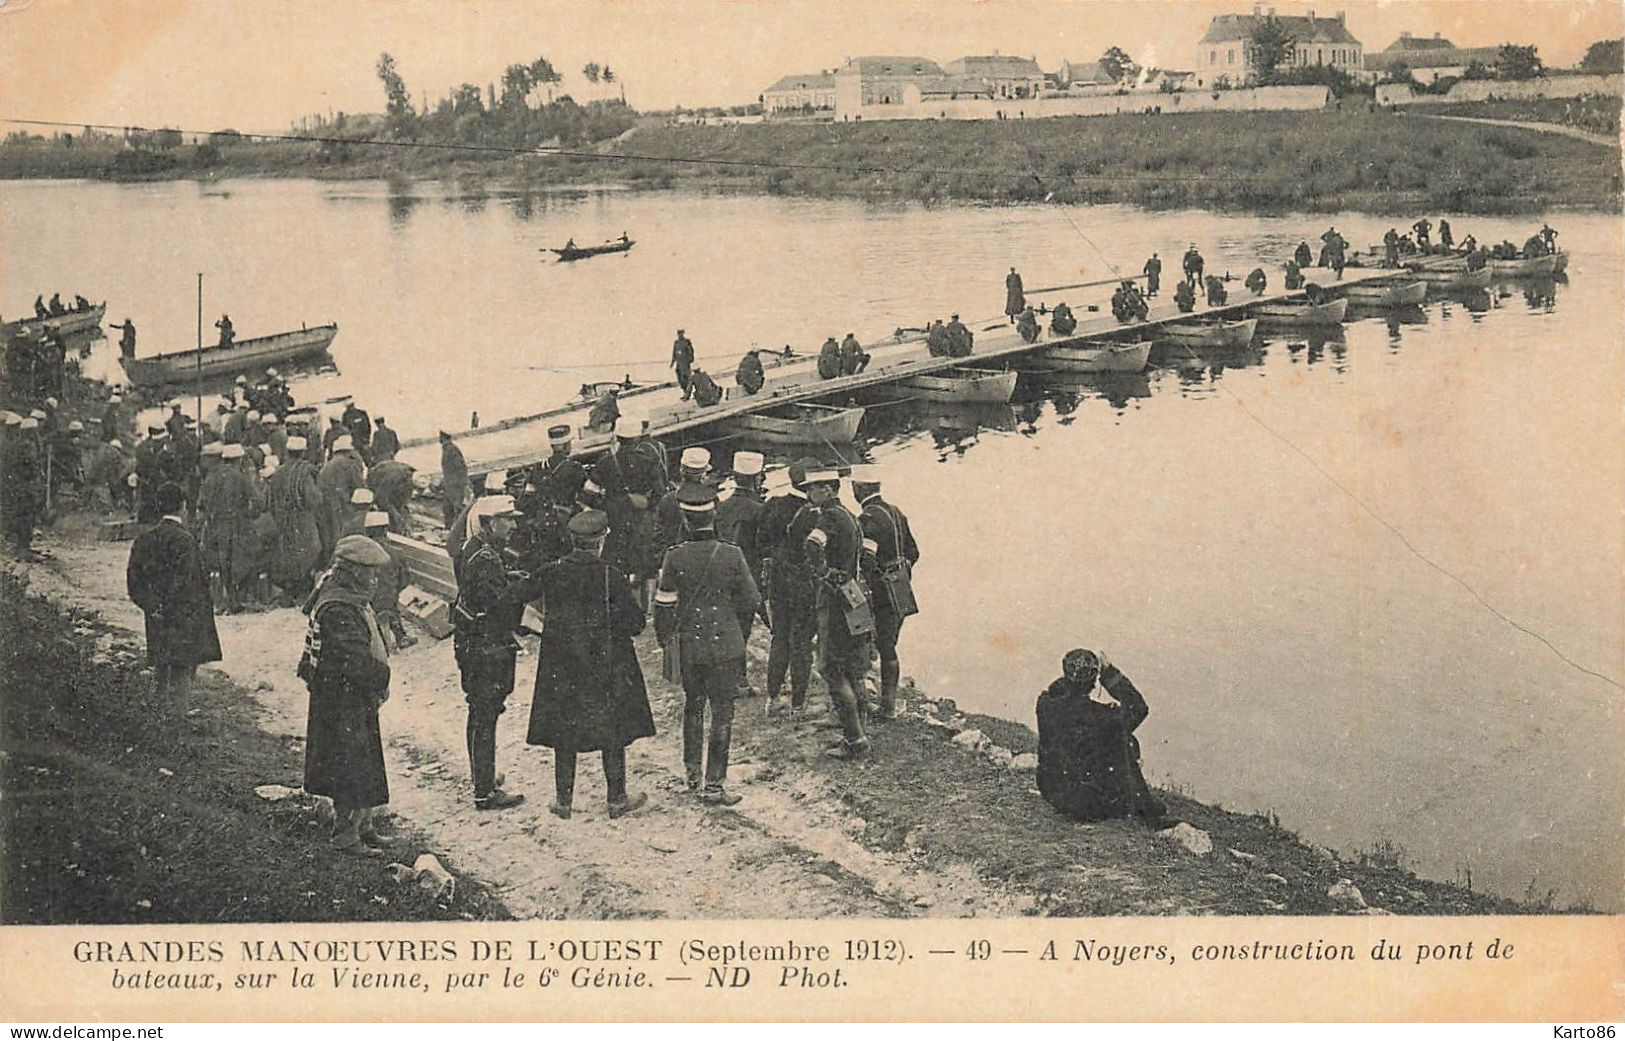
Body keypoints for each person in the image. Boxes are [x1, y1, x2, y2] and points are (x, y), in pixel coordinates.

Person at [526, 509, 654, 819]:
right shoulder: (611, 576)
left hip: (563, 665)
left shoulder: (550, 571)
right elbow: (636, 623)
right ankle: (617, 798)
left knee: (564, 730)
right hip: (605, 664)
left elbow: (516, 598)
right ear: (600, 542)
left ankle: (563, 801)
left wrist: (537, 625)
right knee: (612, 727)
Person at [654, 481, 761, 803]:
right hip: (727, 644)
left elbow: (663, 606)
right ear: (714, 517)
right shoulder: (732, 554)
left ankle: (692, 776)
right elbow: (752, 599)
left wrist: (666, 641)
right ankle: (715, 785)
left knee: (693, 708)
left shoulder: (674, 557)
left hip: (691, 645)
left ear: (685, 520)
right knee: (723, 714)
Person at [297, 534, 397, 856]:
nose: (374, 579)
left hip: (350, 697)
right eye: (369, 572)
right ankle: (345, 834)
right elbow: (353, 659)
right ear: (352, 571)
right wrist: (382, 676)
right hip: (341, 699)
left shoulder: (345, 598)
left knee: (362, 758)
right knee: (349, 764)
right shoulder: (338, 607)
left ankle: (363, 825)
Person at [452, 495, 532, 810]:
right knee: (486, 714)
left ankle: (481, 778)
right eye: (507, 519)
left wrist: (507, 579)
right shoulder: (487, 558)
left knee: (479, 712)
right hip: (486, 647)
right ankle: (484, 792)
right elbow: (499, 607)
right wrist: (525, 589)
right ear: (489, 522)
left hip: (471, 643)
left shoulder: (473, 549)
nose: (513, 525)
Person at [1036, 648, 1166, 825]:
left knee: (1111, 739)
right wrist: (1109, 673)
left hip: (1052, 789)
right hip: (1083, 802)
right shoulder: (1100, 717)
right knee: (1123, 741)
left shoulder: (1046, 703)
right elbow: (1138, 708)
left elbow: (1065, 692)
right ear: (1093, 682)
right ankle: (1145, 808)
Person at [801, 467, 872, 759]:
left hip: (835, 599)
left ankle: (855, 741)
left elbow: (812, 544)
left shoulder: (827, 516)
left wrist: (824, 574)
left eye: (814, 488)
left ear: (829, 489)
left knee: (830, 667)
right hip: (855, 593)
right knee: (854, 667)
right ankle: (860, 732)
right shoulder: (850, 515)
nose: (809, 494)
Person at [127, 482, 222, 696]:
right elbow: (188, 582)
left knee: (160, 669)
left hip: (156, 615)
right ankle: (177, 725)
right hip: (182, 616)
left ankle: (157, 721)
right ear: (182, 506)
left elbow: (134, 582)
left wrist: (153, 606)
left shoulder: (144, 540)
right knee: (181, 674)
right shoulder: (186, 541)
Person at [853, 467, 918, 721]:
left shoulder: (867, 519)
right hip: (901, 586)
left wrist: (868, 584)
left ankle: (879, 707)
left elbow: (867, 559)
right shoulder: (896, 512)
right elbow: (914, 552)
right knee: (889, 645)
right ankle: (888, 704)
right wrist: (901, 569)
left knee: (876, 643)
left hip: (881, 591)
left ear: (858, 488)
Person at [758, 461, 817, 715]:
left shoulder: (773, 504)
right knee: (802, 641)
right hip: (805, 583)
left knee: (779, 638)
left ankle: (772, 698)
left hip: (779, 581)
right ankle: (798, 703)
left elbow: (762, 542)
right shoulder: (815, 513)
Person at [594, 416, 667, 610]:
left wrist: (609, 502)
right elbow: (661, 493)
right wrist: (647, 502)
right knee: (646, 561)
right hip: (642, 518)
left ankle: (623, 604)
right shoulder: (648, 461)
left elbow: (589, 492)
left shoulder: (605, 462)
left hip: (615, 518)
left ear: (618, 437)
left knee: (618, 561)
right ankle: (648, 607)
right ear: (637, 438)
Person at [199, 443, 260, 613]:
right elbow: (257, 501)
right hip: (236, 524)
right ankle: (235, 599)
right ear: (239, 459)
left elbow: (201, 504)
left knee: (219, 562)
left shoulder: (211, 477)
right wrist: (248, 514)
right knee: (241, 559)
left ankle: (221, 601)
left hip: (214, 524)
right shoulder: (240, 477)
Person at [267, 435, 324, 605]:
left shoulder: (278, 473)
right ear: (303, 452)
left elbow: (270, 501)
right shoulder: (304, 472)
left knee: (286, 554)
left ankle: (288, 591)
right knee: (308, 551)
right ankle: (302, 592)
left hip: (282, 519)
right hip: (302, 519)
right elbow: (314, 499)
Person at [318, 434, 366, 559]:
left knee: (330, 534)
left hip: (325, 505)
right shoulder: (348, 464)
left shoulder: (327, 465)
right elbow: (359, 486)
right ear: (348, 451)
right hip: (341, 505)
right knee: (344, 534)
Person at [657, 447, 713, 553]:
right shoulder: (710, 499)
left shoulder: (667, 499)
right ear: (704, 474)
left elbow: (659, 535)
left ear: (681, 470)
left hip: (672, 555)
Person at [3, 417, 45, 559]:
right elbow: (32, 466)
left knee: (21, 514)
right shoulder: (27, 446)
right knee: (26, 515)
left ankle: (20, 546)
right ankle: (22, 547)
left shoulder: (14, 444)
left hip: (17, 485)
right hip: (24, 486)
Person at [367, 458, 416, 533]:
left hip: (391, 483)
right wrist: (395, 514)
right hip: (376, 480)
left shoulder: (411, 474)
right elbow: (381, 498)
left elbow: (404, 498)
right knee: (387, 511)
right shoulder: (394, 477)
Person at [439, 430, 469, 530]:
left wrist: (462, 484)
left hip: (454, 485)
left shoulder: (452, 450)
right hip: (449, 484)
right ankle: (449, 529)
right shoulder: (448, 449)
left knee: (456, 508)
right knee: (448, 508)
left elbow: (461, 468)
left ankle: (459, 529)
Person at [671, 328, 695, 399]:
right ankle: (685, 392)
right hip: (679, 364)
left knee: (687, 378)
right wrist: (672, 362)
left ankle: (688, 394)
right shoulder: (676, 342)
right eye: (678, 333)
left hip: (685, 363)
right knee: (681, 379)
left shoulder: (686, 341)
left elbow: (691, 351)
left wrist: (690, 360)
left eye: (681, 333)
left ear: (683, 333)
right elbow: (674, 353)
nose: (679, 335)